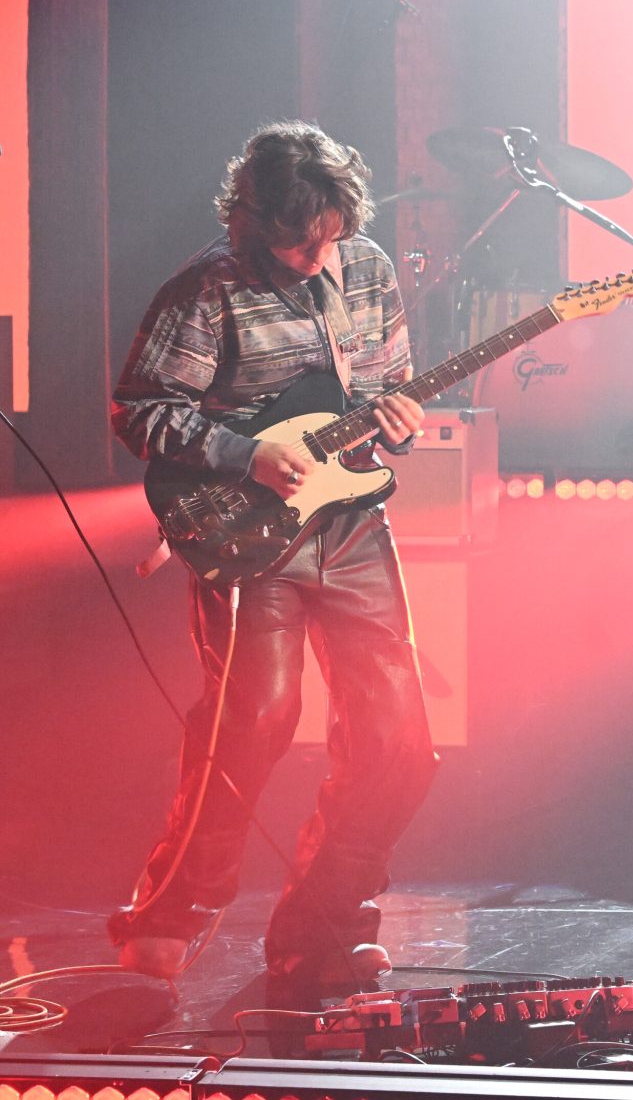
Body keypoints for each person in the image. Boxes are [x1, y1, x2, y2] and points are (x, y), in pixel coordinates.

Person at [107, 120, 437, 990]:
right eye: (298, 242)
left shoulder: (366, 268)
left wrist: (398, 420)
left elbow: (385, 389)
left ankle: (326, 923)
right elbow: (140, 410)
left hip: (352, 525)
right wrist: (244, 453)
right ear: (249, 219)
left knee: (401, 742)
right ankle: (171, 912)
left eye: (330, 236)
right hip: (250, 535)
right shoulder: (205, 289)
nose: (317, 257)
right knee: (253, 721)